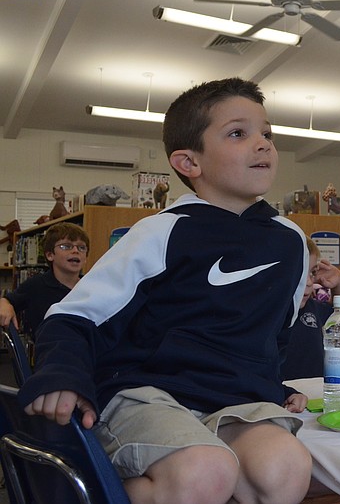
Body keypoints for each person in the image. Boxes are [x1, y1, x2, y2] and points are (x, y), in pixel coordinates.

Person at [17, 78, 313, 503]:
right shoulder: (160, 231)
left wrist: (276, 386)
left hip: (235, 399)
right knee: (205, 471)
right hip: (146, 393)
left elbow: (275, 335)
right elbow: (74, 316)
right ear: (189, 162)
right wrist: (63, 374)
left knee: (286, 468)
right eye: (238, 133)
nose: (263, 143)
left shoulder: (290, 240)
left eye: (267, 133)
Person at [0, 222, 89, 336]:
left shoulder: (91, 287)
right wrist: (5, 305)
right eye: (66, 246)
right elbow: (8, 300)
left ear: (85, 258)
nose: (76, 250)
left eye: (82, 247)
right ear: (50, 255)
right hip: (49, 345)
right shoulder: (36, 285)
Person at [280, 238, 340, 380]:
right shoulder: (269, 313)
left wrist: (339, 282)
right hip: (284, 390)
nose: (308, 282)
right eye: (300, 272)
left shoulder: (312, 307)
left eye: (312, 272)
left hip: (315, 389)